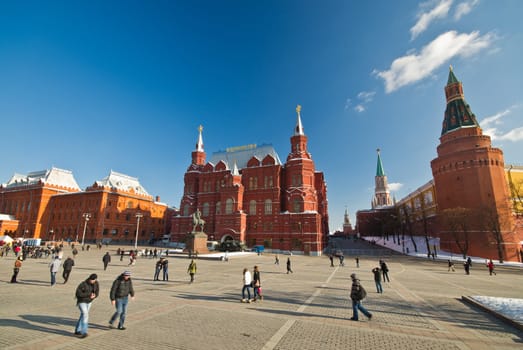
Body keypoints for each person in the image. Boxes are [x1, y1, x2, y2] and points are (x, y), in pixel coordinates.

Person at [74, 274, 99, 338]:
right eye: (91, 280)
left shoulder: (96, 284)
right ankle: (84, 332)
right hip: (82, 301)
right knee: (85, 315)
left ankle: (77, 330)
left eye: (93, 280)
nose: (92, 281)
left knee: (83, 315)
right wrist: (89, 294)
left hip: (89, 302)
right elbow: (78, 293)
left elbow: (97, 292)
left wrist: (94, 296)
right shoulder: (83, 284)